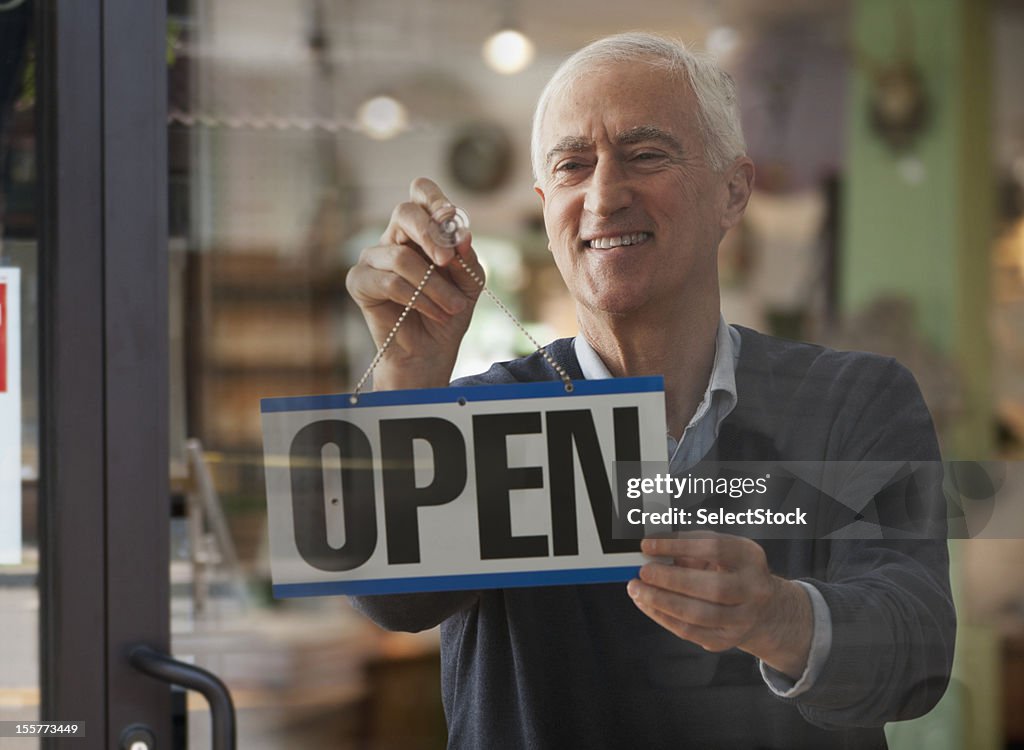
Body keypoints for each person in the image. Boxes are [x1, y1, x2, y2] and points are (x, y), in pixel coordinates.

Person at [344, 32, 954, 750]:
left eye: (645, 154)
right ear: (546, 208)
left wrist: (777, 617)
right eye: (574, 166)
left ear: (733, 191)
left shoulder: (855, 401)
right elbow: (391, 598)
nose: (604, 195)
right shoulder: (486, 420)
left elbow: (918, 653)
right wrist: (407, 379)